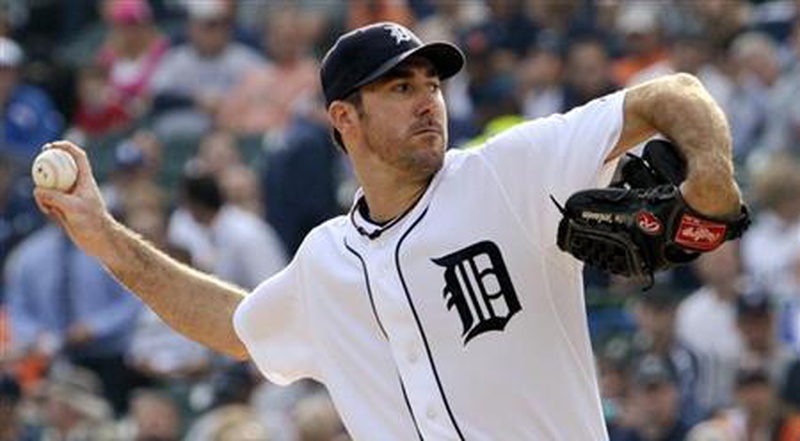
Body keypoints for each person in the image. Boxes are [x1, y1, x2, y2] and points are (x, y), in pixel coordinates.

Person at [34, 22, 743, 439]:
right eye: (399, 88)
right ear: (344, 117)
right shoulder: (325, 261)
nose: (428, 101)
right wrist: (106, 240)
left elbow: (672, 95)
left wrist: (710, 181)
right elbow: (233, 324)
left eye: (431, 83)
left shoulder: (506, 172)